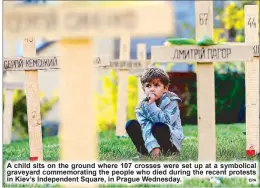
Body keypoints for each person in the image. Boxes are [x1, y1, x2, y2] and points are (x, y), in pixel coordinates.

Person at [125, 67, 185, 159]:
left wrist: (151, 105)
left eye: (156, 85)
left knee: (158, 126)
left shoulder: (171, 101)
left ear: (165, 88)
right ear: (144, 89)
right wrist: (153, 146)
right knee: (131, 124)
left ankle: (169, 153)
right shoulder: (141, 107)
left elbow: (166, 121)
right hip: (149, 140)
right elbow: (146, 126)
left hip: (170, 139)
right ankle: (145, 153)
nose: (152, 89)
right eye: (148, 86)